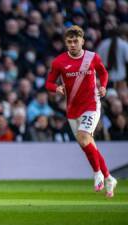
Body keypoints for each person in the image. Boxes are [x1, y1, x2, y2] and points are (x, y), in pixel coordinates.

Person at [45, 25, 117, 197]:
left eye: (75, 41)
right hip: (72, 109)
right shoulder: (59, 62)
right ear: (65, 43)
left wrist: (104, 86)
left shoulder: (92, 57)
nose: (72, 44)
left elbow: (103, 73)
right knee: (87, 144)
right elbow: (48, 83)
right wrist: (57, 89)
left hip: (91, 105)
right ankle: (109, 178)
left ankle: (97, 174)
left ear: (82, 41)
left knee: (84, 137)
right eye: (69, 41)